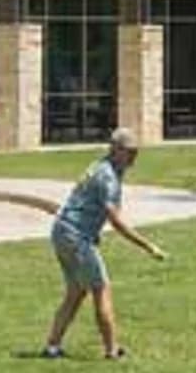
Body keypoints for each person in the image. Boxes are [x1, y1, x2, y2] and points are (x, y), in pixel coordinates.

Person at [41, 127, 167, 361]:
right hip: (76, 237)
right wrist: (148, 246)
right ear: (115, 149)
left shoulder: (101, 166)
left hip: (62, 231)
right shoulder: (107, 177)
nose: (134, 158)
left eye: (136, 152)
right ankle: (112, 350)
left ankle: (52, 346)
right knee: (101, 289)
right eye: (129, 152)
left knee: (76, 292)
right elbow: (116, 221)